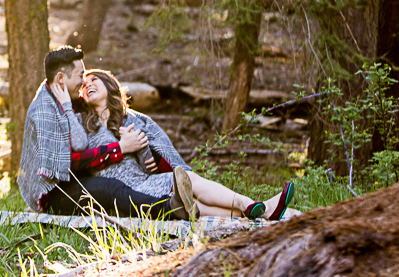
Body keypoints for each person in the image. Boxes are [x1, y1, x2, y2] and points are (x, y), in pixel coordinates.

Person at [75, 69, 297, 221]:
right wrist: (123, 146)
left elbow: (154, 159)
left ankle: (251, 206)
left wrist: (145, 152)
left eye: (94, 80)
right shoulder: (81, 125)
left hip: (144, 181)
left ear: (109, 84)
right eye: (84, 85)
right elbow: (80, 160)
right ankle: (259, 208)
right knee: (187, 198)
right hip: (121, 192)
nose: (88, 85)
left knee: (186, 181)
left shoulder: (134, 119)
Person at [17, 45, 166, 215]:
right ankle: (168, 209)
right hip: (53, 193)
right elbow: (69, 163)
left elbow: (105, 113)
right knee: (108, 187)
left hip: (76, 181)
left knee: (111, 184)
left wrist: (151, 154)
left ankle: (170, 200)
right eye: (80, 75)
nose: (83, 82)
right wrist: (119, 149)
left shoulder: (69, 98)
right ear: (60, 78)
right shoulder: (44, 111)